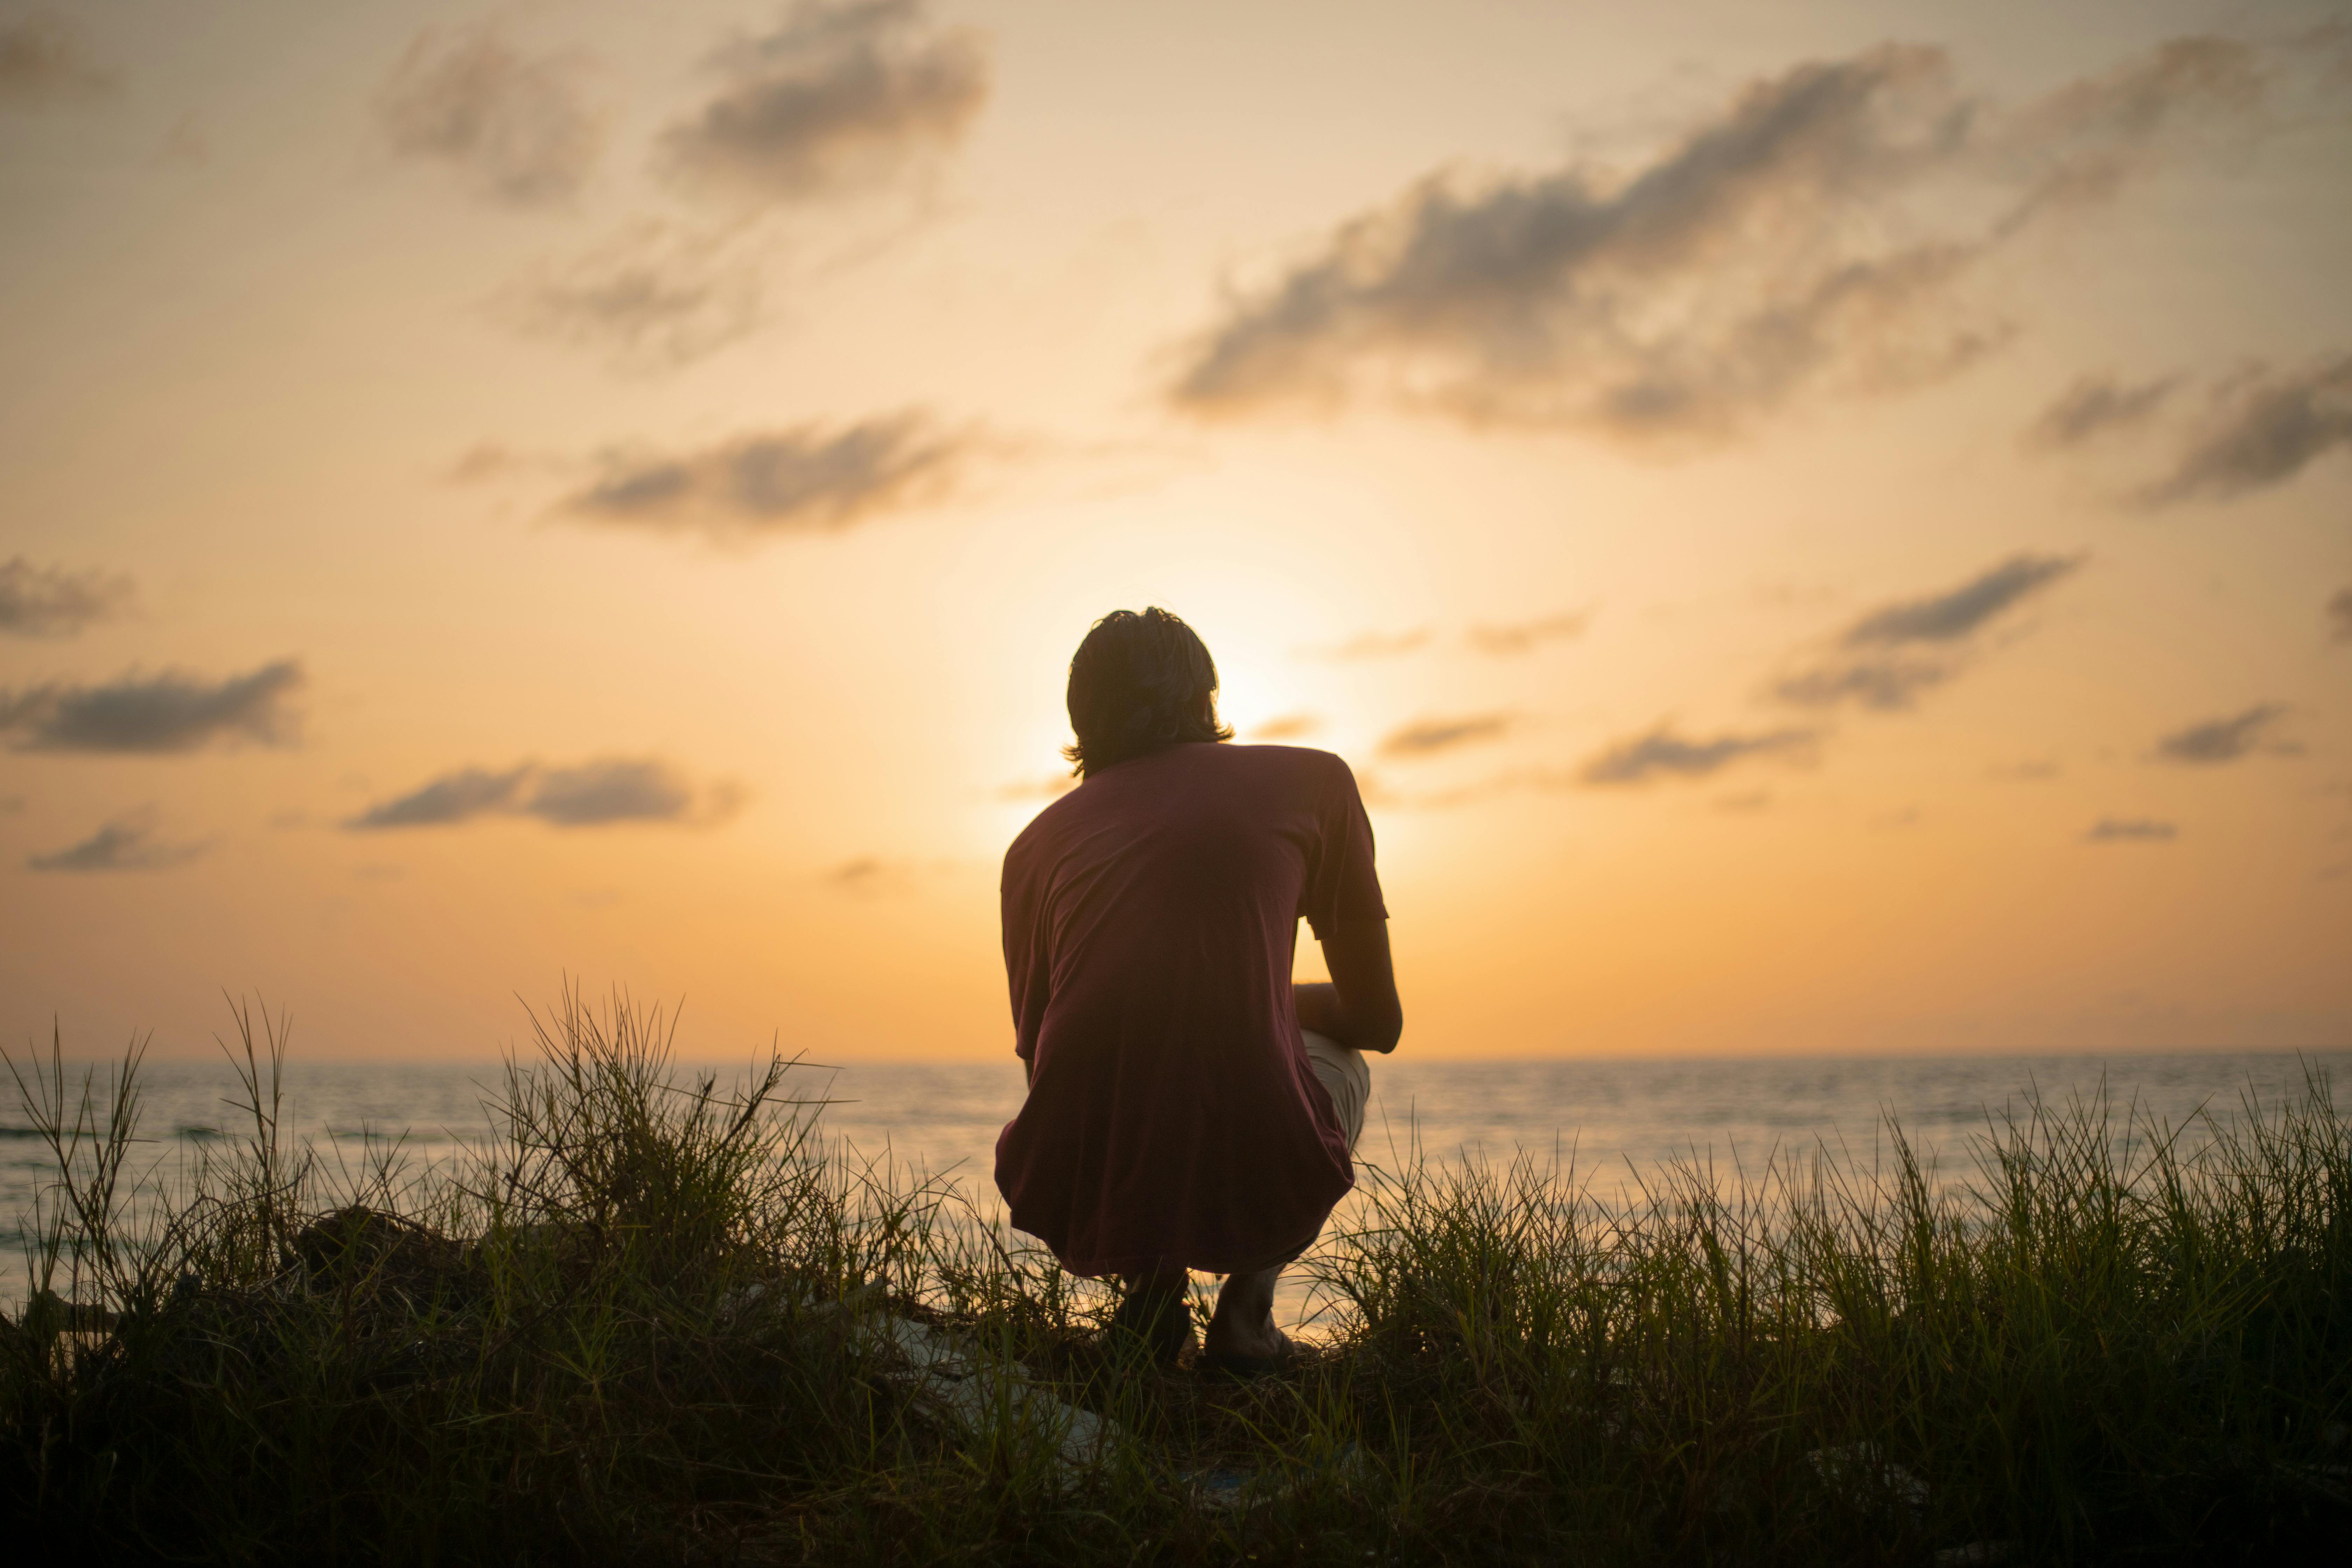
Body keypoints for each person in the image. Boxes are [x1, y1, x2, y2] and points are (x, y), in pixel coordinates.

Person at [992, 607, 1403, 1373]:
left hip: (1081, 1179)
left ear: (1083, 721)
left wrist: (1241, 993)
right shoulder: (1315, 781)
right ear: (1207, 698)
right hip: (1264, 1145)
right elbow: (1377, 1018)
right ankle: (1244, 1321)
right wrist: (1260, 998)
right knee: (1344, 1062)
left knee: (1122, 1071)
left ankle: (1151, 1300)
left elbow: (1047, 1055)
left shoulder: (1032, 847)